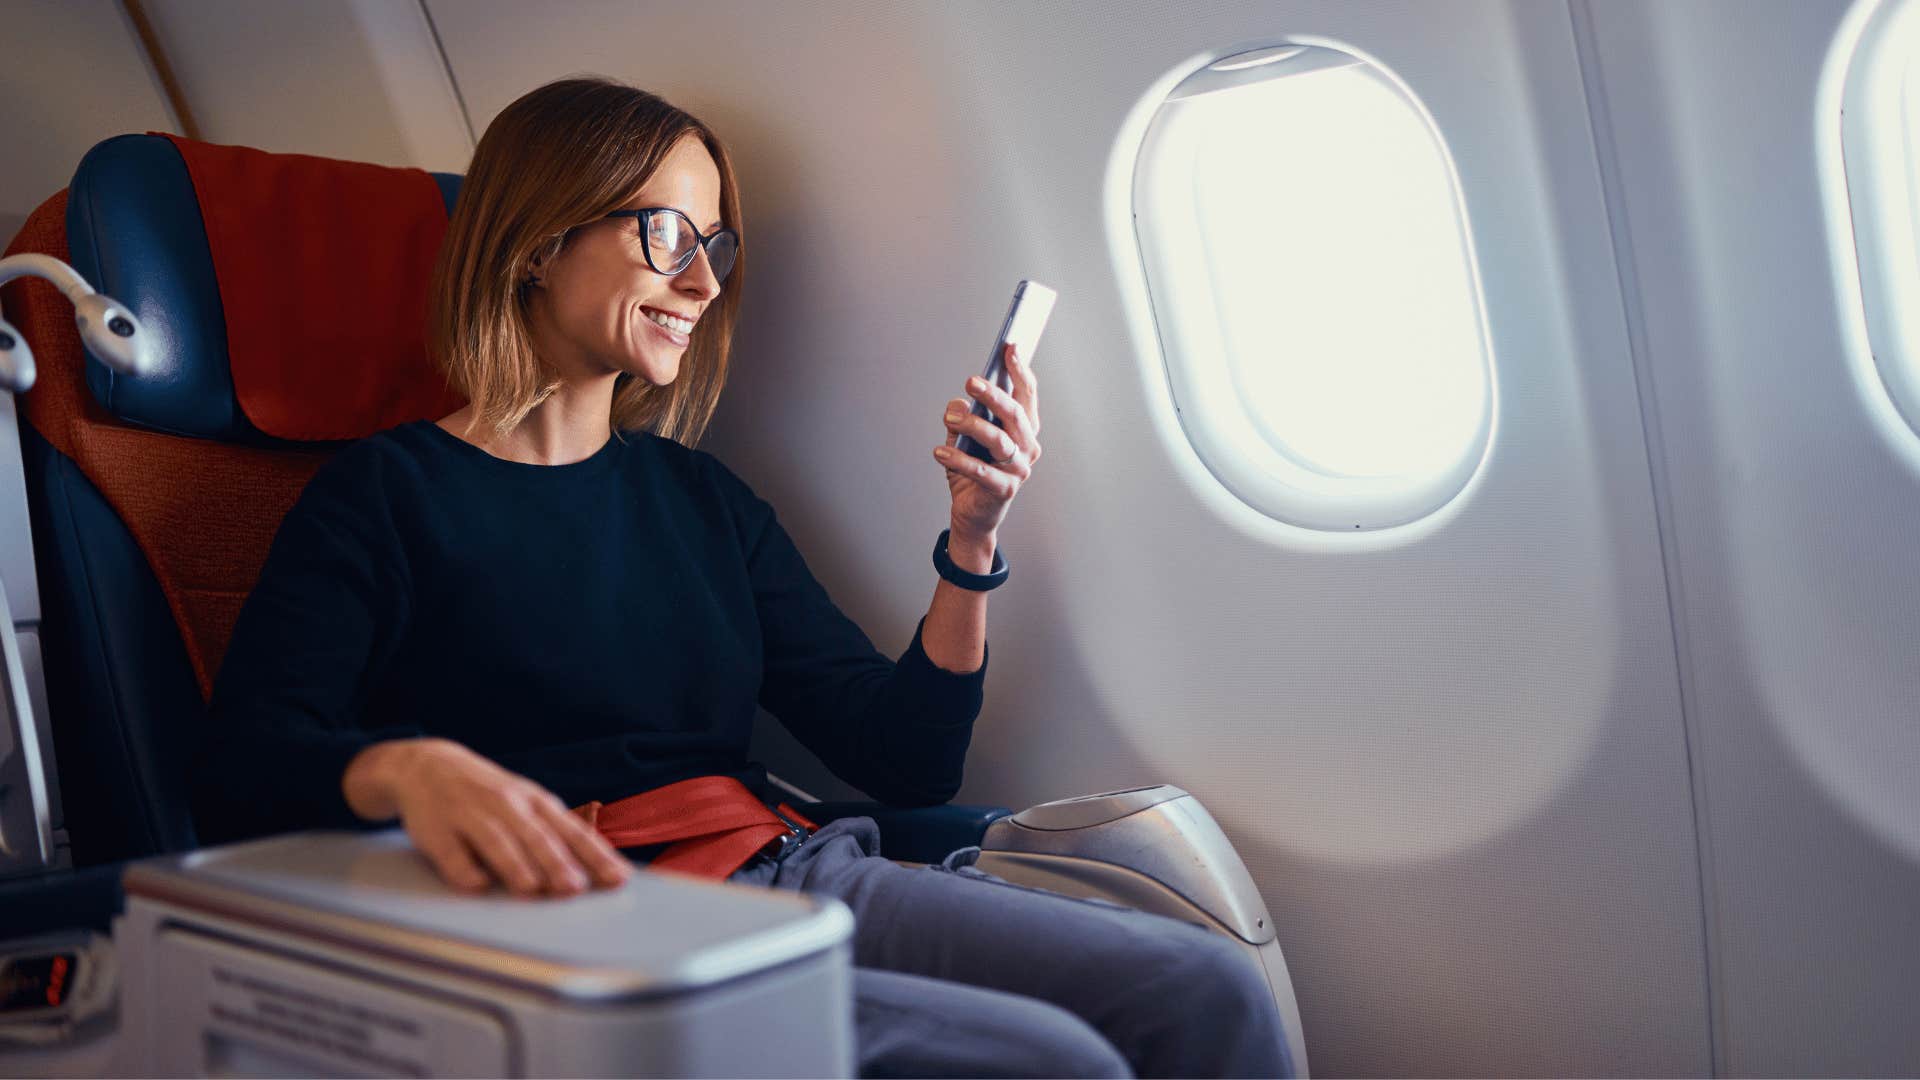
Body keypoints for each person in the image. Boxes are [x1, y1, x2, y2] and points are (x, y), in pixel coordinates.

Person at [190, 75, 1291, 1079]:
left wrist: (972, 535)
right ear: (535, 241)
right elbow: (241, 764)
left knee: (1203, 989)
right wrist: (406, 772)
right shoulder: (384, 496)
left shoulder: (701, 502)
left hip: (790, 869)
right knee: (1057, 1065)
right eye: (668, 234)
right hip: (583, 919)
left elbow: (904, 758)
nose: (703, 282)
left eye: (716, 246)